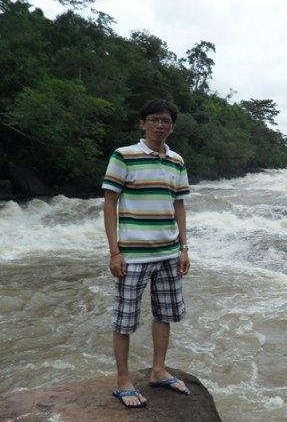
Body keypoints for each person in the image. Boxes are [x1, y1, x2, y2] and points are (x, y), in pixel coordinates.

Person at [102, 99, 191, 408]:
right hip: (133, 254)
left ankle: (158, 370)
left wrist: (184, 247)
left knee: (164, 314)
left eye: (165, 121)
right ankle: (123, 380)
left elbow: (179, 204)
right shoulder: (124, 156)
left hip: (168, 252)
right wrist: (115, 252)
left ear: (172, 126)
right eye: (153, 119)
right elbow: (110, 203)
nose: (160, 125)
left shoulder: (177, 161)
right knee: (124, 319)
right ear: (142, 123)